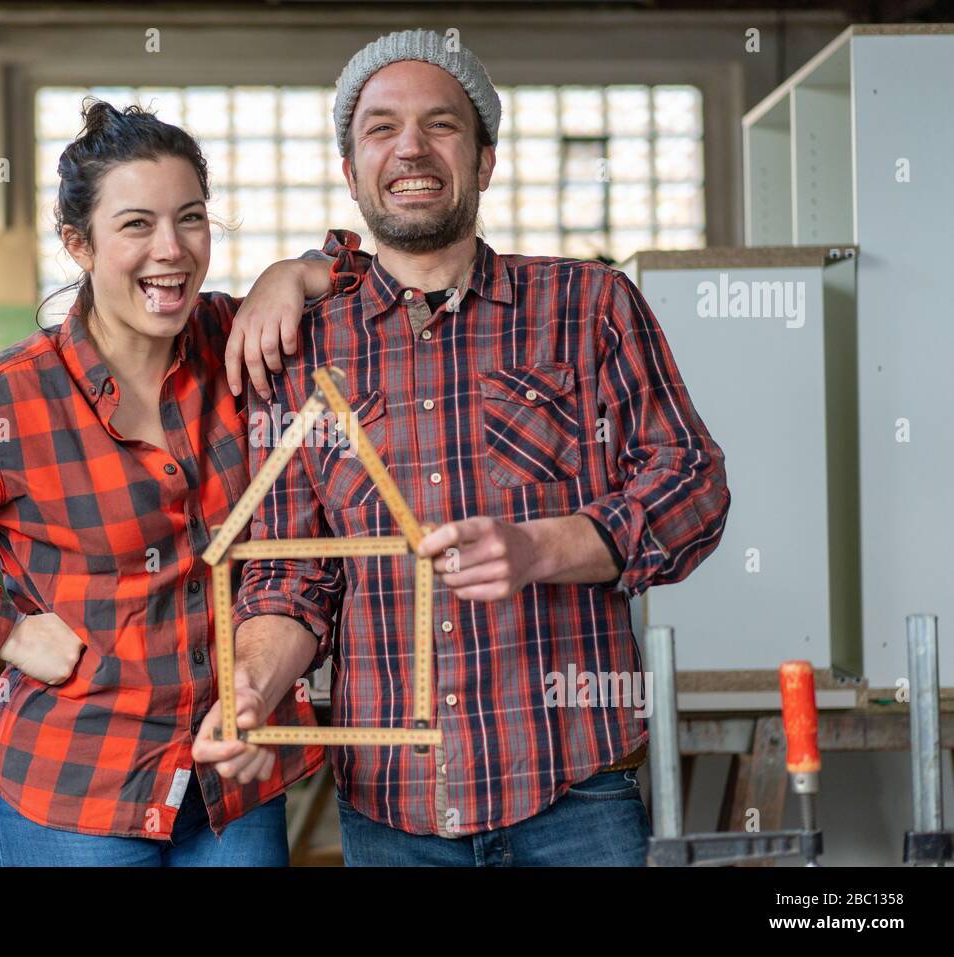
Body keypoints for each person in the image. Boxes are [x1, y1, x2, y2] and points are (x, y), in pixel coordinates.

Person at [194, 29, 731, 867]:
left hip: (575, 796)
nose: (410, 146)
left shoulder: (588, 307)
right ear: (350, 170)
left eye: (441, 125)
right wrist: (252, 690)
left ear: (484, 160)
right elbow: (290, 571)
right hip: (390, 809)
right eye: (380, 128)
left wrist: (540, 546)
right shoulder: (303, 346)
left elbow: (693, 486)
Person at [0, 100, 349, 866]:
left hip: (232, 793)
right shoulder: (7, 398)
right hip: (75, 798)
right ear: (78, 243)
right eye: (136, 224)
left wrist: (293, 271)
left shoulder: (246, 346)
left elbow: (384, 278)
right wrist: (1, 629)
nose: (172, 249)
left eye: (190, 218)